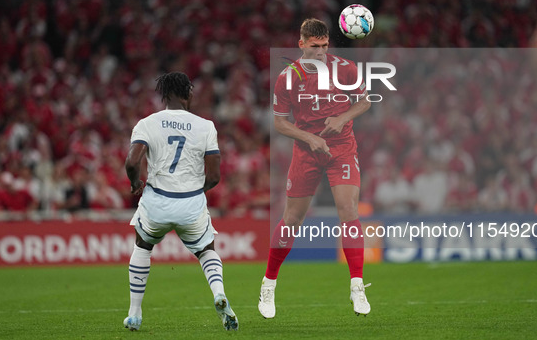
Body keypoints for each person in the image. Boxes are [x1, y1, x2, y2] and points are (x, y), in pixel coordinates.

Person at [259, 18, 372, 318]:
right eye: (314, 47)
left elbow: (364, 102)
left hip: (342, 148)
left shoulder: (346, 69)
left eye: (324, 46)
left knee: (348, 210)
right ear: (301, 45)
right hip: (307, 151)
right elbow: (281, 122)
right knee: (292, 219)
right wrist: (309, 137)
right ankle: (269, 284)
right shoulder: (288, 77)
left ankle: (357, 285)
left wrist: (342, 118)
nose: (321, 52)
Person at [123, 72, 238, 331]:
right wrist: (196, 190)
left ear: (164, 95)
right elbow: (215, 175)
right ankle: (219, 294)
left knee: (142, 246)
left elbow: (132, 162)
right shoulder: (205, 126)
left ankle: (134, 314)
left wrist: (135, 184)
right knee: (207, 250)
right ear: (188, 93)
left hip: (156, 202)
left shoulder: (147, 123)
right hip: (190, 204)